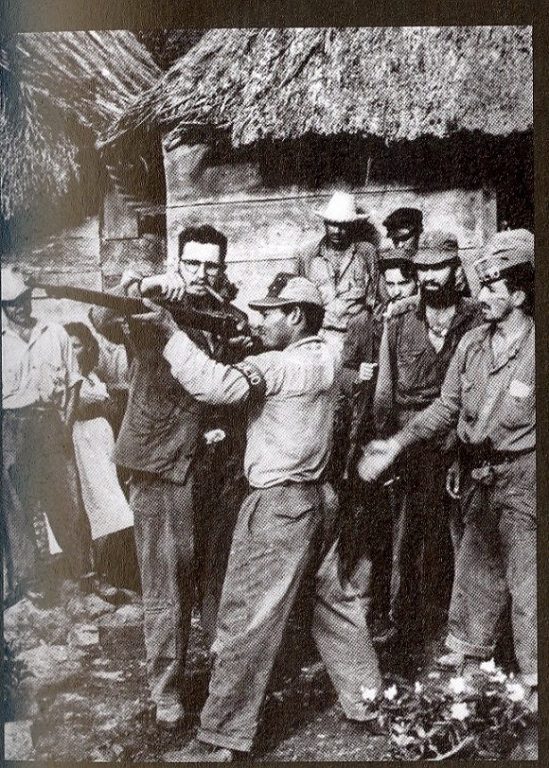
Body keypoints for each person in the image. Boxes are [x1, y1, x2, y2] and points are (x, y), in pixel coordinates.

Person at [138, 273, 382, 761]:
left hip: (278, 506)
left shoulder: (279, 365)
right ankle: (370, 703)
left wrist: (170, 332)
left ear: (294, 316)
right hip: (321, 499)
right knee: (338, 608)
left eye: (270, 312)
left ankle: (221, 738)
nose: (261, 320)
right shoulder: (330, 357)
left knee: (245, 621)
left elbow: (217, 388)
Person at [358, 229, 536, 696]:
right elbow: (445, 407)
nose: (483, 294)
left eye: (493, 287)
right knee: (475, 571)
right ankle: (470, 667)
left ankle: (534, 680)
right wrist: (396, 443)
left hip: (526, 475)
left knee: (528, 582)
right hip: (482, 471)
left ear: (518, 295)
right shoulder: (474, 342)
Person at [91, 225, 244, 727]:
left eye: (212, 265)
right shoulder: (151, 308)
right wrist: (142, 285)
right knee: (165, 588)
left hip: (215, 469)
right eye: (193, 264)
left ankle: (223, 684)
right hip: (160, 465)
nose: (203, 274)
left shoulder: (228, 314)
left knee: (215, 581)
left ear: (222, 267)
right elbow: (101, 316)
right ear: (179, 264)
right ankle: (166, 692)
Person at [372, 231, 483, 651]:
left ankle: (463, 633)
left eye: (439, 268)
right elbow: (385, 390)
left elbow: (476, 391)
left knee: (464, 539)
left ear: (456, 270)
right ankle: (405, 626)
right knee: (407, 536)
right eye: (423, 269)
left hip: (459, 442)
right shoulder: (399, 318)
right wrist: (387, 444)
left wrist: (459, 445)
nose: (430, 277)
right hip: (410, 443)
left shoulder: (476, 319)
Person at [1, 266, 93, 605]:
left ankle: (83, 572)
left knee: (66, 496)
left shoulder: (54, 333)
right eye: (11, 304)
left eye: (24, 300)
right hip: (12, 425)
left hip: (51, 420)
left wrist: (66, 423)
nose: (20, 308)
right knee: (16, 504)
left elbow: (74, 382)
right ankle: (28, 579)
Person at [337, 249, 418, 620]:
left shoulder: (419, 322)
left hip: (405, 435)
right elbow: (342, 373)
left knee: (406, 530)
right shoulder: (362, 323)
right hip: (367, 433)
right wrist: (359, 376)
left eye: (405, 283)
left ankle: (398, 611)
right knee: (366, 526)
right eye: (391, 283)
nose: (397, 290)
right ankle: (362, 608)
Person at [63, 322, 137, 593]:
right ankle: (94, 574)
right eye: (69, 346)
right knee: (97, 506)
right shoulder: (67, 379)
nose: (74, 351)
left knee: (113, 504)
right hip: (82, 442)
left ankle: (109, 572)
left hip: (101, 441)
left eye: (78, 345)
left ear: (89, 346)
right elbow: (76, 407)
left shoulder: (93, 375)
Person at [296, 191, 380, 359]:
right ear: (325, 222)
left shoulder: (366, 253)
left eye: (343, 225)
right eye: (332, 224)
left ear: (353, 226)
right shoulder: (307, 255)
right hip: (318, 339)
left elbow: (374, 298)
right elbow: (298, 301)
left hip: (356, 339)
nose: (337, 231)